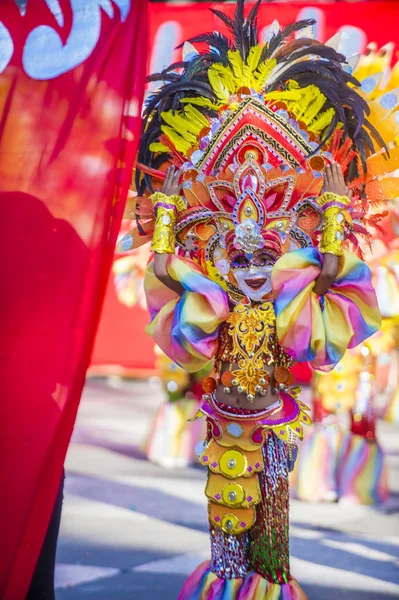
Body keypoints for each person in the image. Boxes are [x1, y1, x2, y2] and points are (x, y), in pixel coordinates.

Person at [120, 1, 398, 597]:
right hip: (223, 421)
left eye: (264, 255)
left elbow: (329, 273)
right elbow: (166, 269)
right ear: (218, 247)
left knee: (270, 545)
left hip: (274, 423)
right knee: (224, 541)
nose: (251, 264)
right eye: (238, 256)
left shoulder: (288, 303)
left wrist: (328, 207)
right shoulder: (212, 299)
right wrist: (166, 210)